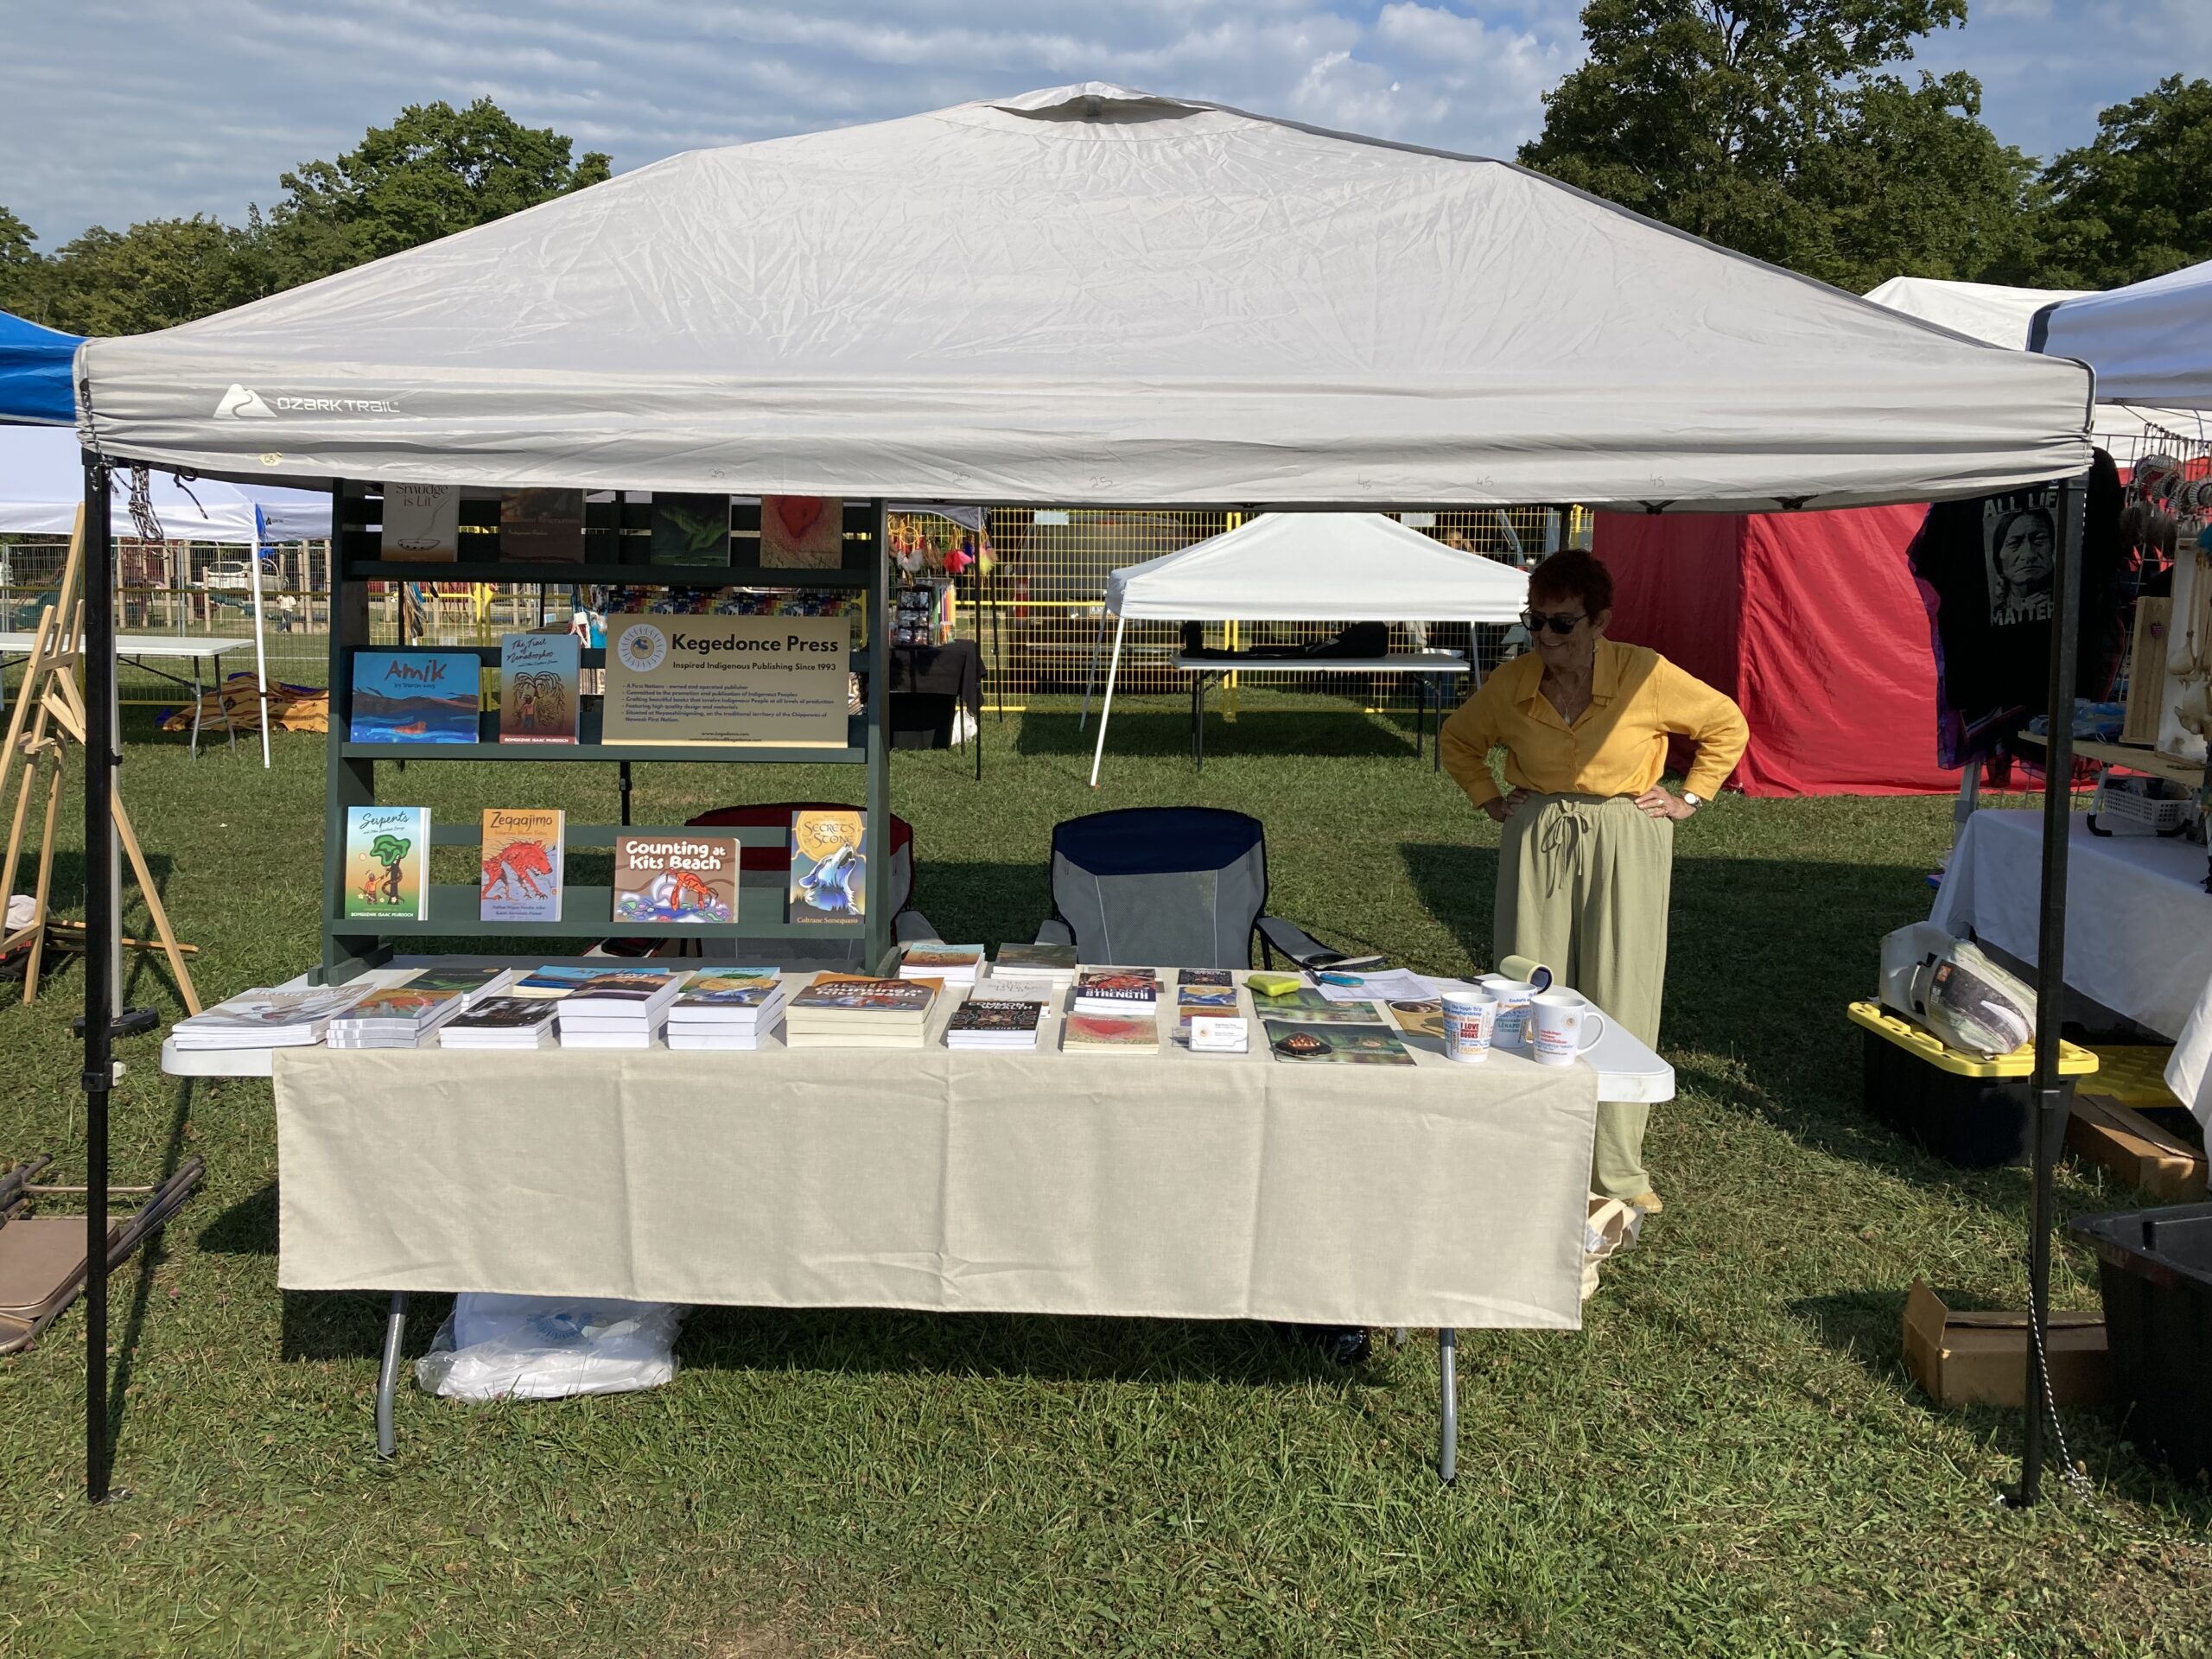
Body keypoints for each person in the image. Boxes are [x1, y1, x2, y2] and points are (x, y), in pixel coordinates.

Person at [1439, 549, 1747, 1214]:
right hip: (1540, 831)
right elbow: (1460, 738)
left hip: (1625, 830)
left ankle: (1616, 1168)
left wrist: (1692, 798)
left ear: (1601, 620)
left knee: (1622, 985)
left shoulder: (1646, 672)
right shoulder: (1513, 680)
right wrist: (1488, 799)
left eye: (1562, 624)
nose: (1546, 639)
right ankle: (1529, 1146)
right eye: (1535, 623)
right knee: (1527, 982)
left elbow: (1726, 724)